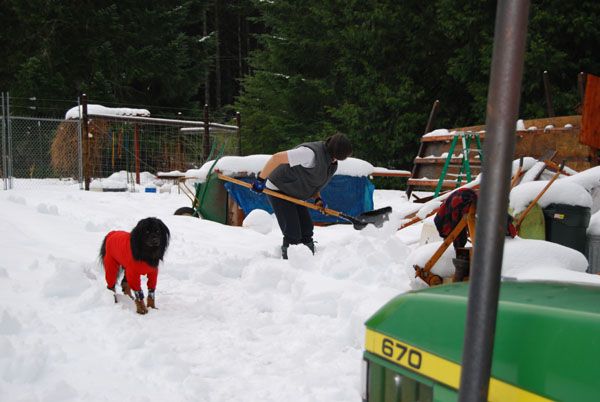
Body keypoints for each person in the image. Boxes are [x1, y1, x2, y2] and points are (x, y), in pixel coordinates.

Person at [251, 133, 353, 259]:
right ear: (334, 153)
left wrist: (318, 200)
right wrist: (260, 180)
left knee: (306, 228)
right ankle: (290, 260)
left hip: (295, 191)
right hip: (279, 188)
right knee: (292, 231)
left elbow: (312, 183)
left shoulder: (330, 163)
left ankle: (308, 256)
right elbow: (276, 158)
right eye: (338, 157)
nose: (337, 161)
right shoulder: (309, 154)